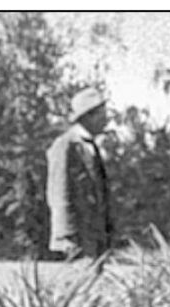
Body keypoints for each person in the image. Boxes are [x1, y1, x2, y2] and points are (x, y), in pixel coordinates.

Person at [46, 87, 116, 260]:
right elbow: (59, 190)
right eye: (102, 113)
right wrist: (66, 235)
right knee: (81, 282)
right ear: (88, 116)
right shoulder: (66, 145)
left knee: (94, 282)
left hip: (95, 234)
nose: (106, 119)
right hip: (78, 235)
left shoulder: (90, 146)